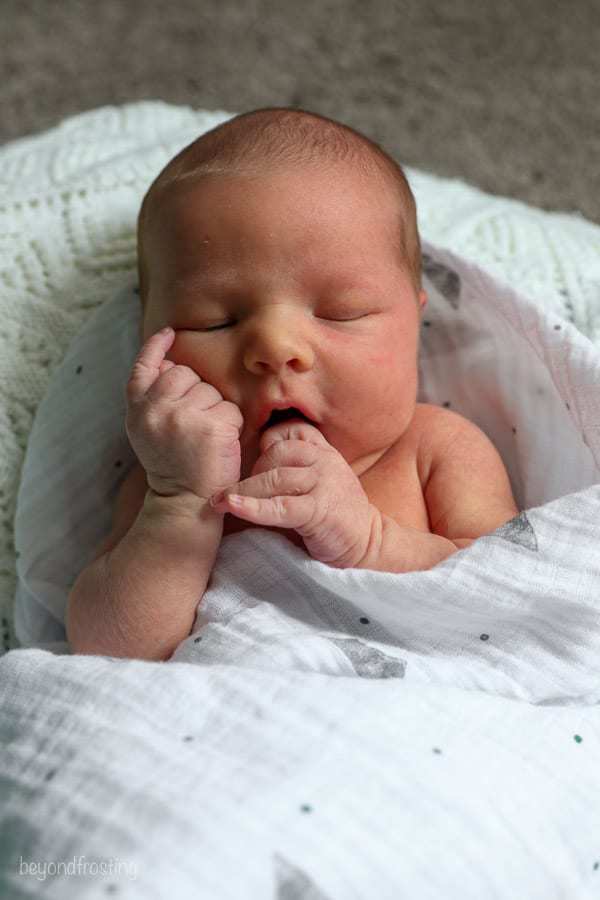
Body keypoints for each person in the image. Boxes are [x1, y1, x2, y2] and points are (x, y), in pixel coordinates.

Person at [66, 107, 519, 662]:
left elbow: (507, 603)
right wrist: (178, 508)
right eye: (216, 322)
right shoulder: (168, 483)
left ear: (415, 328)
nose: (277, 348)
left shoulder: (437, 449)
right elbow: (107, 650)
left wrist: (372, 540)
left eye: (340, 312)